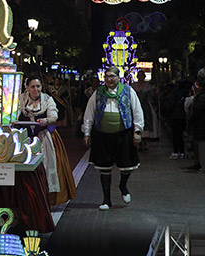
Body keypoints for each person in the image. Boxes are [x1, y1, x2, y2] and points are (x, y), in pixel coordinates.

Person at [82, 66, 144, 209]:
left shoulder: (128, 91)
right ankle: (106, 200)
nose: (109, 79)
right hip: (103, 135)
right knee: (104, 168)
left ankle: (123, 186)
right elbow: (89, 113)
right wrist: (87, 132)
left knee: (126, 167)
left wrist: (138, 131)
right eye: (107, 77)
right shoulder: (98, 92)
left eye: (112, 76)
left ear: (118, 77)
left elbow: (137, 111)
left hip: (123, 134)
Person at [17, 76, 76, 206]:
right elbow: (14, 113)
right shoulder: (21, 99)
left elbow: (54, 116)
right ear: (27, 87)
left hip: (43, 137)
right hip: (25, 139)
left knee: (46, 166)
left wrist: (47, 120)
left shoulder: (47, 99)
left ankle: (45, 198)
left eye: (38, 86)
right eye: (32, 86)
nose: (36, 89)